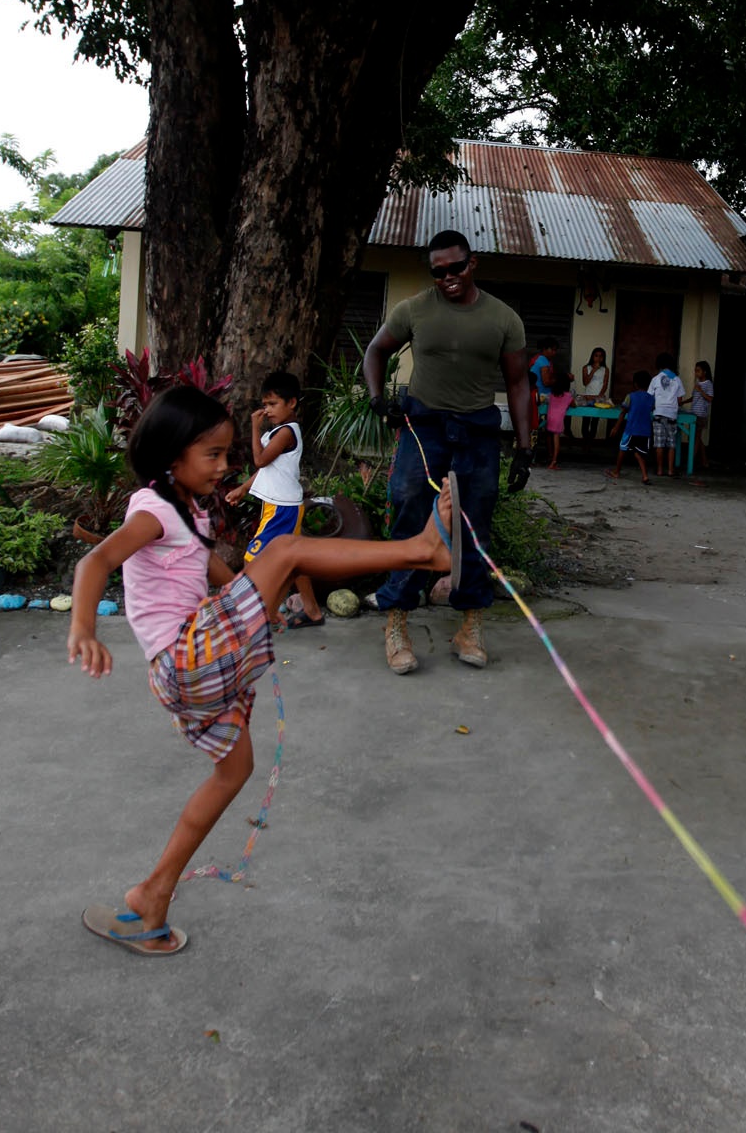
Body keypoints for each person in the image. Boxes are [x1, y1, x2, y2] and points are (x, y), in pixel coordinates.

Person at [68, 385, 459, 956]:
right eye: (212, 454)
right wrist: (83, 628)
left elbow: (214, 573)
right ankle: (422, 551)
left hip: (189, 667)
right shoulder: (150, 509)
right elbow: (97, 559)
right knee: (283, 551)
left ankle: (152, 900)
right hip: (185, 659)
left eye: (228, 453)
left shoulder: (186, 511)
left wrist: (259, 604)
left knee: (234, 771)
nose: (226, 466)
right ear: (171, 455)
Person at [363, 229, 532, 674]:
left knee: (474, 523)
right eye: (439, 272)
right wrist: (378, 398)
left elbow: (518, 383)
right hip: (424, 427)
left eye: (456, 268)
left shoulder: (503, 318)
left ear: (472, 263)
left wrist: (525, 447)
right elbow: (375, 351)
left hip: (477, 429)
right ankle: (396, 620)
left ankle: (470, 625)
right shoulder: (414, 310)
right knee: (408, 509)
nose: (448, 277)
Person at [225, 370, 322, 628]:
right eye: (265, 404)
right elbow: (266, 468)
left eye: (273, 404)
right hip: (283, 505)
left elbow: (259, 459)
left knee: (252, 558)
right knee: (296, 560)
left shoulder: (287, 432)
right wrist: (244, 488)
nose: (267, 410)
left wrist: (254, 428)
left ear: (292, 403)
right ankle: (312, 611)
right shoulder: (278, 432)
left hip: (282, 509)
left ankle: (254, 613)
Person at [607, 370, 653, 483]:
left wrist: (616, 427)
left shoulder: (630, 396)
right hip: (645, 430)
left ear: (635, 384)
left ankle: (616, 471)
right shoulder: (652, 398)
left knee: (623, 449)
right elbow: (651, 409)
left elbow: (623, 412)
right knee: (638, 453)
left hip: (631, 429)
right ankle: (645, 475)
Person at [648, 353, 686, 478]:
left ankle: (659, 470)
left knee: (659, 443)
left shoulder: (655, 379)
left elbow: (650, 398)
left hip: (658, 413)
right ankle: (670, 470)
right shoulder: (677, 379)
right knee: (671, 444)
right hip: (672, 415)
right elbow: (680, 400)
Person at [680, 360, 714, 470]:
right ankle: (705, 461)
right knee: (697, 438)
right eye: (695, 371)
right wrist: (684, 402)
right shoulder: (698, 383)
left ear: (704, 372)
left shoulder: (708, 384)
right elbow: (694, 398)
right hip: (693, 414)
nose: (696, 373)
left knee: (695, 438)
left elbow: (710, 399)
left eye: (698, 371)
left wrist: (701, 391)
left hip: (701, 415)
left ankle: (690, 461)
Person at [577, 347, 609, 442]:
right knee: (585, 421)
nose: (598, 358)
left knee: (595, 422)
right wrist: (593, 370)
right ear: (592, 356)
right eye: (596, 356)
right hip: (587, 398)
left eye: (600, 356)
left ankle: (590, 442)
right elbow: (585, 382)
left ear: (603, 358)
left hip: (598, 399)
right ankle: (585, 441)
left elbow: (605, 385)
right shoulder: (586, 368)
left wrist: (598, 397)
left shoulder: (605, 369)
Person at [545, 373, 575, 469]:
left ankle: (550, 455)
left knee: (549, 435)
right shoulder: (568, 395)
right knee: (556, 440)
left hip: (550, 418)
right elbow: (574, 405)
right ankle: (554, 461)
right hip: (558, 420)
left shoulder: (552, 394)